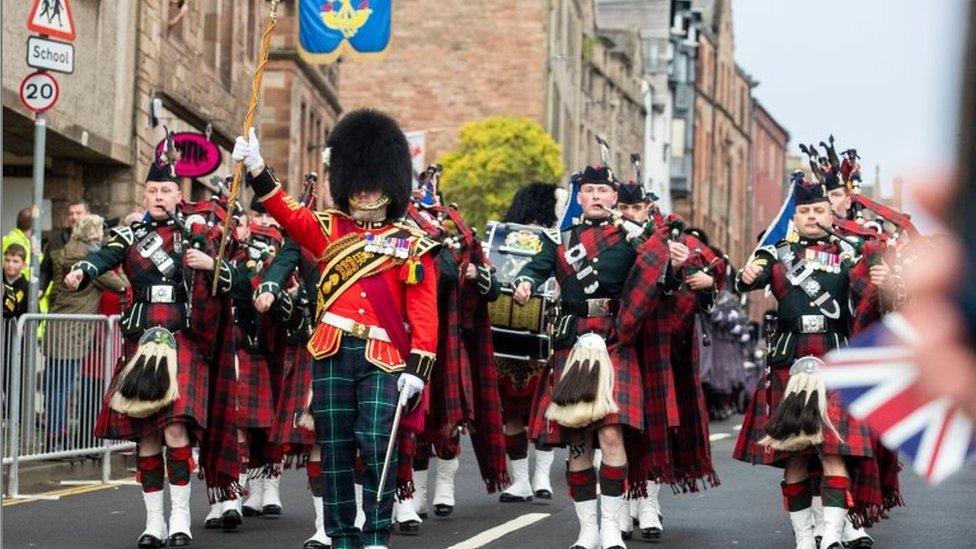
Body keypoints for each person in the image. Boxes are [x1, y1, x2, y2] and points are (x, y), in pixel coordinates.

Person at [234, 109, 439, 549]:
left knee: (378, 445)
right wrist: (256, 168)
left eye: (375, 181)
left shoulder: (412, 245)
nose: (366, 190)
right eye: (359, 181)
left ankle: (376, 534)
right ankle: (342, 535)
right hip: (330, 350)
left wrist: (419, 368)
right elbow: (286, 212)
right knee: (335, 449)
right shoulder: (327, 229)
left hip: (384, 358)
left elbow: (423, 312)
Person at [64, 154, 242, 548]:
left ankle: (180, 518)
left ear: (179, 195)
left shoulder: (197, 233)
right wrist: (83, 271)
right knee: (146, 437)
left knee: (176, 429)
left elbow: (233, 280)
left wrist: (209, 262)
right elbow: (102, 257)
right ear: (144, 196)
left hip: (182, 340)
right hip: (142, 341)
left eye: (166, 190)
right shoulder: (129, 237)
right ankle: (153, 522)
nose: (159, 196)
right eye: (152, 191)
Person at [732, 178, 901, 549]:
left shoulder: (851, 256)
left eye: (819, 210)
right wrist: (744, 276)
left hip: (834, 358)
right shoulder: (776, 253)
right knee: (794, 454)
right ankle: (805, 539)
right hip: (789, 362)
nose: (812, 217)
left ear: (832, 214)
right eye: (805, 211)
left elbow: (877, 304)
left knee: (833, 451)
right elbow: (746, 279)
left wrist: (884, 281)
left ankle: (832, 537)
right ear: (795, 217)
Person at [513, 165, 646, 549]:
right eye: (590, 190)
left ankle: (610, 527)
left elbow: (658, 277)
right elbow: (535, 267)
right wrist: (525, 281)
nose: (598, 197)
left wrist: (649, 240)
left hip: (613, 341)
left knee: (610, 432)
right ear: (580, 197)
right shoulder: (562, 238)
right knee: (578, 438)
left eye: (604, 191)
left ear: (615, 198)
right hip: (572, 342)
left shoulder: (631, 237)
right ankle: (587, 530)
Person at [494, 182, 562, 504]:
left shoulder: (558, 243)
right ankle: (520, 480)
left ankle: (542, 477)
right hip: (508, 342)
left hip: (544, 338)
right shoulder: (503, 239)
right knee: (513, 414)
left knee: (546, 411)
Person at [43, 214, 128, 449]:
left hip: (59, 325)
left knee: (55, 386)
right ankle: (57, 440)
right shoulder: (87, 260)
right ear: (94, 234)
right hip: (72, 331)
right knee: (62, 386)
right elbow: (122, 284)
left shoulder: (70, 249)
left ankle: (54, 437)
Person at [39, 201, 90, 301]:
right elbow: (45, 270)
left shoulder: (95, 241)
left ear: (88, 215)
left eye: (79, 213)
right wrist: (40, 288)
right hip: (58, 300)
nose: (74, 217)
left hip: (85, 302)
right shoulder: (55, 241)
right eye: (71, 214)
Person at [3, 207, 37, 280]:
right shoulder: (17, 242)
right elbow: (24, 270)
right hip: (23, 288)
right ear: (34, 226)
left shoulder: (24, 240)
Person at [3, 244, 29, 320]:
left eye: (15, 261)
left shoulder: (27, 287)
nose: (10, 264)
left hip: (14, 331)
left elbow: (35, 315)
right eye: (7, 260)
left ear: (24, 265)